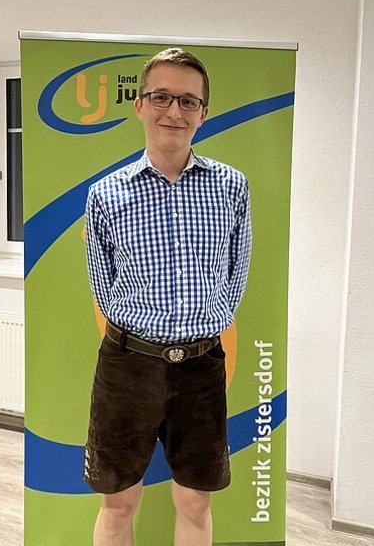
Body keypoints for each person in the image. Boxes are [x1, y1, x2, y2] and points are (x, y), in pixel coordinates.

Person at [84, 47, 252, 546]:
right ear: (139, 105)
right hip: (126, 366)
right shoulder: (105, 194)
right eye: (161, 97)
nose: (174, 111)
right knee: (118, 503)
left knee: (196, 501)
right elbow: (103, 283)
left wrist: (207, 321)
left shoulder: (231, 187)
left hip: (201, 368)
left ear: (204, 113)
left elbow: (236, 271)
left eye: (188, 101)